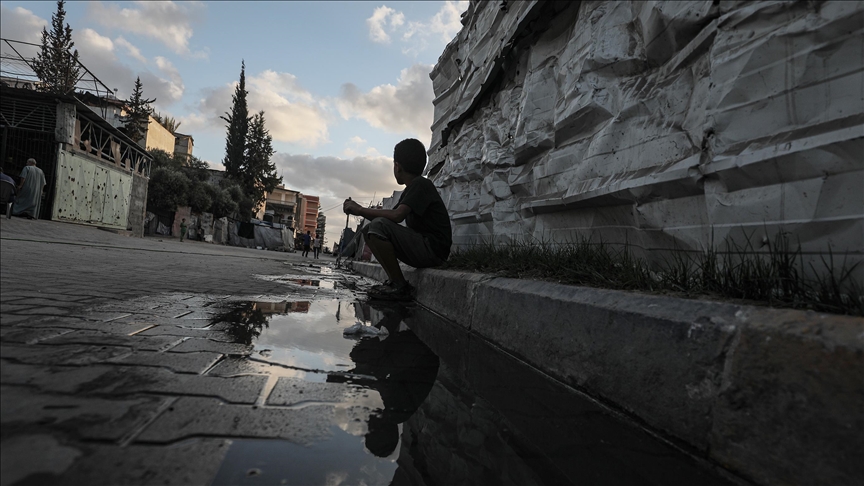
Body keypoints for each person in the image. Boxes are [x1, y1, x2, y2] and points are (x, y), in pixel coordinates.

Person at [343, 138, 452, 301]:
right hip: (426, 249)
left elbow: (396, 216)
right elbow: (389, 217)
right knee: (369, 229)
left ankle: (400, 286)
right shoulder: (412, 188)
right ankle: (394, 281)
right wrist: (358, 209)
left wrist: (359, 209)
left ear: (397, 166)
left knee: (377, 226)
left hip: (433, 250)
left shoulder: (421, 184)